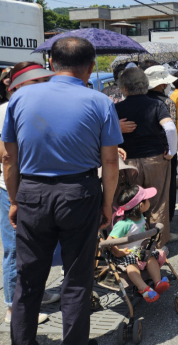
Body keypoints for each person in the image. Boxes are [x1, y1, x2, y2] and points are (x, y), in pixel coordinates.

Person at [2, 37, 122, 344]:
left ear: (52, 64)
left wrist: (14, 200)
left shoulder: (20, 99)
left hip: (32, 191)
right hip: (80, 192)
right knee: (77, 278)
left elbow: (8, 158)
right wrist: (108, 204)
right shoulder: (101, 102)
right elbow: (110, 160)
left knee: (28, 280)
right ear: (91, 67)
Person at [0, 62, 58, 326]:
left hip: (38, 187)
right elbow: (6, 157)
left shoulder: (44, 106)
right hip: (10, 189)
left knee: (38, 246)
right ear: (18, 85)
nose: (43, 87)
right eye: (36, 82)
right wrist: (13, 198)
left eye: (44, 81)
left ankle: (35, 293)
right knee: (15, 247)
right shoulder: (5, 110)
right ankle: (14, 306)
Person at [115, 68, 177, 247]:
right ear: (145, 85)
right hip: (155, 159)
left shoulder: (116, 108)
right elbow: (170, 128)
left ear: (124, 88)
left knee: (131, 202)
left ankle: (131, 244)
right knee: (157, 203)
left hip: (128, 162)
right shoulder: (156, 105)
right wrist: (171, 151)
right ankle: (157, 246)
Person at [108, 185, 170, 303]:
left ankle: (158, 282)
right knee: (132, 264)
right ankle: (144, 288)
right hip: (126, 254)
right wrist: (118, 252)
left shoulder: (141, 217)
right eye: (147, 199)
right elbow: (110, 240)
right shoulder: (123, 224)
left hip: (139, 251)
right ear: (141, 205)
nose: (149, 201)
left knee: (150, 256)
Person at [144, 65, 178, 225]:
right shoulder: (167, 102)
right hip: (164, 153)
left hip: (143, 153)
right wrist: (171, 152)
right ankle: (166, 224)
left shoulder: (140, 99)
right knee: (167, 190)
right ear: (162, 84)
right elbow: (171, 128)